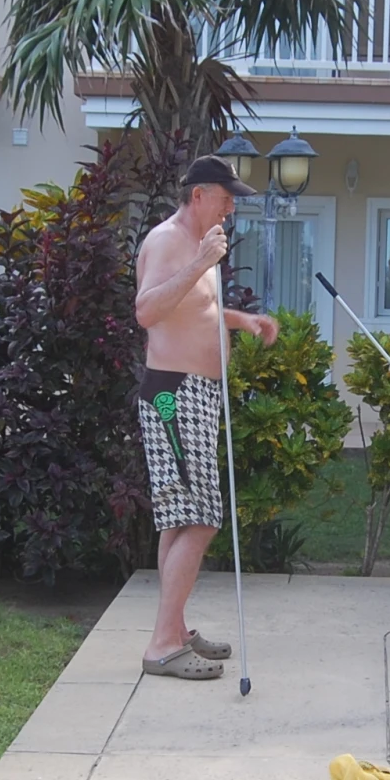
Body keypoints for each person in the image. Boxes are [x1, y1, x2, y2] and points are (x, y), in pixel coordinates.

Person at [132, 155, 281, 680]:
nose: (231, 207)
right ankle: (160, 646)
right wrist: (200, 262)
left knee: (181, 515)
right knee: (201, 517)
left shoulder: (201, 244)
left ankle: (174, 629)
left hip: (195, 394)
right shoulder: (171, 241)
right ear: (198, 195)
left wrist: (243, 320)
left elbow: (197, 311)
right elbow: (147, 311)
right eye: (225, 197)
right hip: (172, 395)